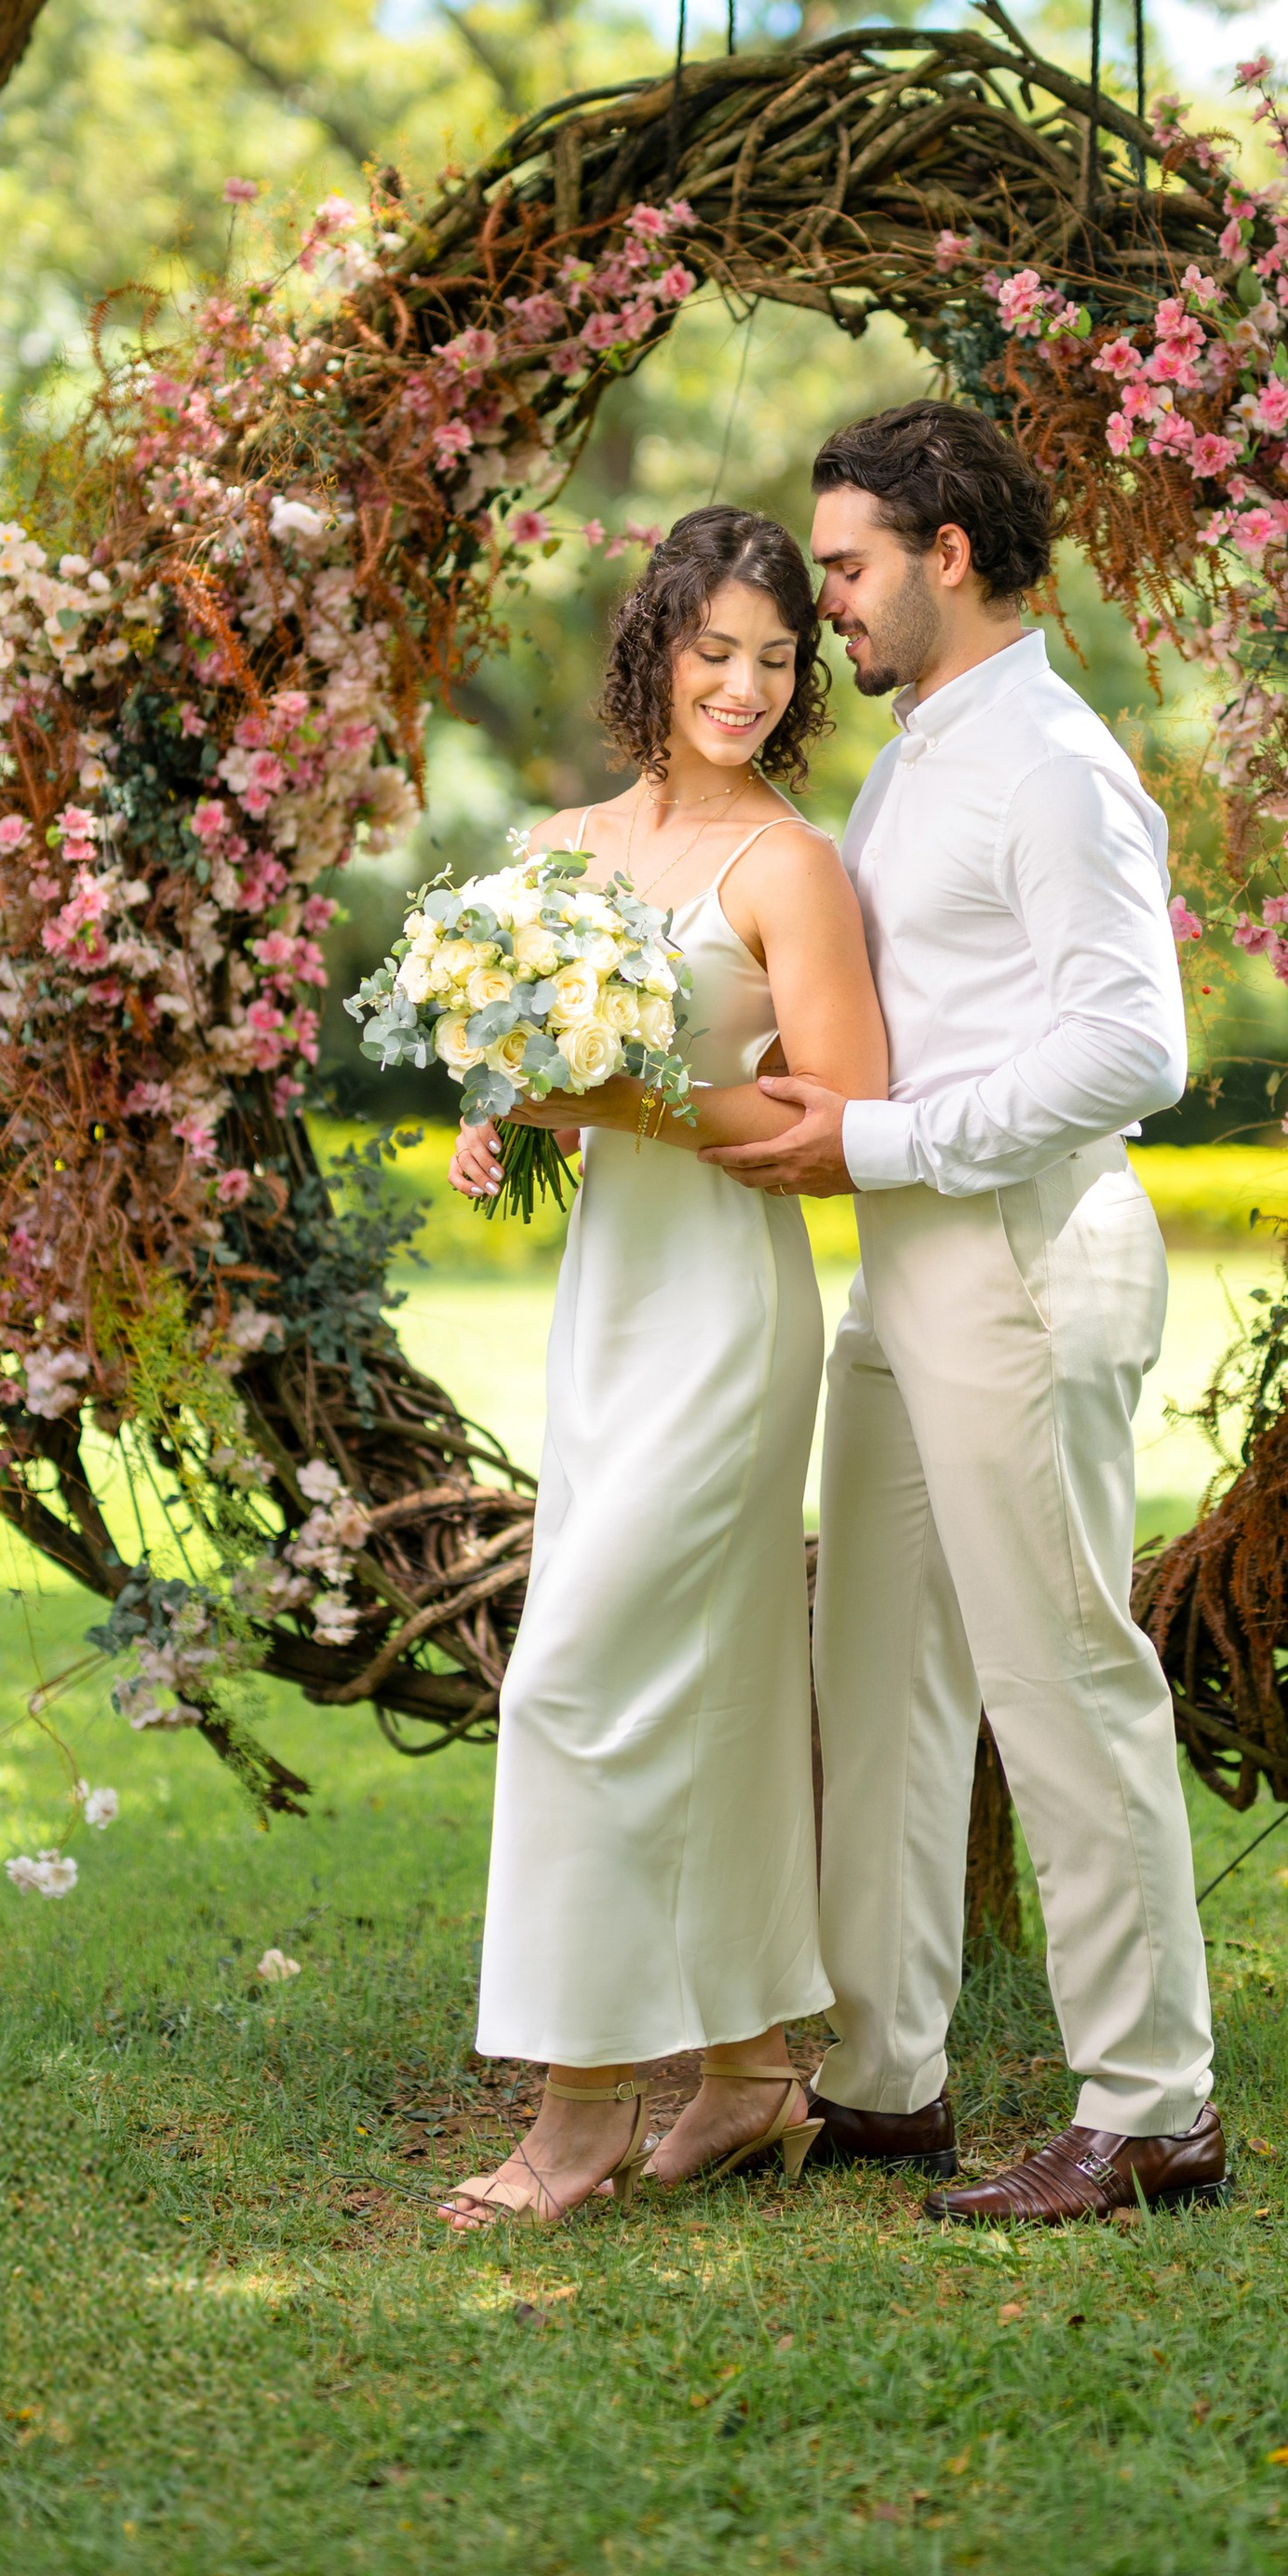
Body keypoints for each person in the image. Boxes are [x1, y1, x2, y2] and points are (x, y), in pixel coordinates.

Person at [712, 399, 1228, 2227]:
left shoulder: (1051, 760)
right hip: (906, 1270)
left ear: (946, 551)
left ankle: (1153, 2108)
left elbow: (1131, 1044)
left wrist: (881, 1134)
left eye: (845, 564)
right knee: (882, 1683)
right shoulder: (919, 749)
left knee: (1060, 1680)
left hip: (1019, 1266)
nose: (823, 600)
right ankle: (881, 2080)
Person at [436, 506, 890, 2232]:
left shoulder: (790, 869)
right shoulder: (562, 844)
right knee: (707, 1683)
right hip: (606, 1302)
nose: (748, 688)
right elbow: (531, 1067)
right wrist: (502, 1125)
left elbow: (832, 1121)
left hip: (722, 1312)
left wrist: (603, 1103)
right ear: (657, 648)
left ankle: (578, 2113)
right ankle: (758, 2070)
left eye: (779, 659)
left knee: (578, 1676)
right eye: (717, 652)